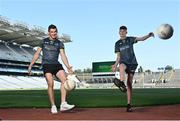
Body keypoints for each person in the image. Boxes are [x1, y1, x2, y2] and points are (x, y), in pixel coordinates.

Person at [28, 24, 75, 114]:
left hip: (56, 64)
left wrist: (68, 66)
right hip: (46, 65)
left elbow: (63, 55)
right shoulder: (43, 41)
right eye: (52, 32)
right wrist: (31, 65)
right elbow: (37, 54)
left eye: (55, 32)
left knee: (64, 80)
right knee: (51, 83)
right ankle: (53, 105)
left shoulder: (59, 43)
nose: (54, 33)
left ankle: (63, 104)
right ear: (49, 32)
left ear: (56, 32)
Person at [112, 25, 154, 112]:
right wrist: (115, 64)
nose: (122, 33)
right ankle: (121, 83)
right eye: (120, 31)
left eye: (124, 31)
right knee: (122, 66)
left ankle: (128, 104)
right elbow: (118, 57)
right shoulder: (117, 43)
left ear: (126, 32)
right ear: (119, 32)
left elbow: (141, 39)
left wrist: (149, 35)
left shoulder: (130, 39)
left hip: (132, 63)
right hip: (124, 62)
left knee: (130, 84)